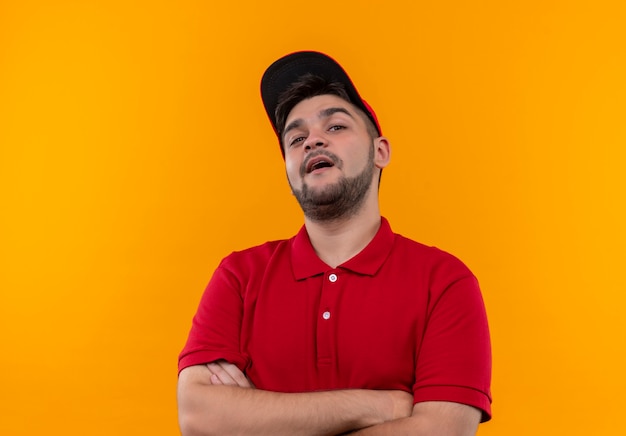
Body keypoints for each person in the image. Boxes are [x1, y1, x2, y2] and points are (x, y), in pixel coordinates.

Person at [177, 51, 492, 435]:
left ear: (380, 152)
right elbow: (197, 417)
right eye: (296, 138)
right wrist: (382, 404)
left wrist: (255, 419)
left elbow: (443, 431)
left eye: (336, 127)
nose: (313, 142)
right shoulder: (238, 276)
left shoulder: (445, 282)